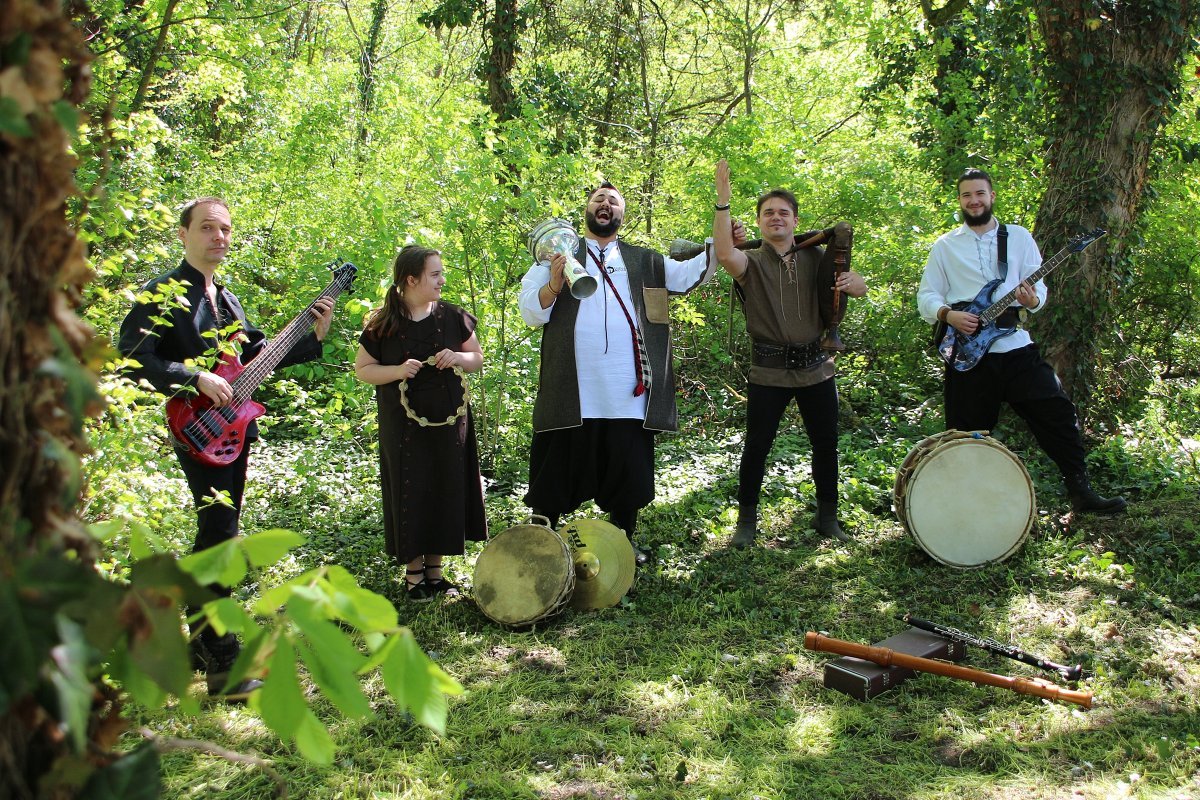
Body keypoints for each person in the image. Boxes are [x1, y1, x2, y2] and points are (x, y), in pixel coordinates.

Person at [118, 197, 335, 698]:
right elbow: (132, 357)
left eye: (227, 230)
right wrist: (194, 375)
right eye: (208, 228)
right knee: (219, 535)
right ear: (184, 235)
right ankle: (221, 660)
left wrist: (311, 333)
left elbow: (258, 357)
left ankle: (203, 642)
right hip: (197, 430)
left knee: (223, 532)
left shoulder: (228, 298)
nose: (220, 237)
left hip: (233, 432)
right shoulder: (164, 293)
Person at [519, 181, 742, 563]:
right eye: (598, 200)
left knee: (627, 469)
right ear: (587, 212)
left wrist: (720, 242)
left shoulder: (645, 260)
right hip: (571, 387)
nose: (605, 204)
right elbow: (530, 311)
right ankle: (542, 541)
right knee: (555, 465)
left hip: (627, 390)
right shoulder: (555, 257)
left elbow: (693, 274)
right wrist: (555, 284)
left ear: (622, 215)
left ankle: (622, 541)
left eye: (613, 201)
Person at [917, 167, 1126, 514]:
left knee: (1057, 412)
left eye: (980, 193)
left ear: (992, 196)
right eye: (967, 195)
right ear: (960, 200)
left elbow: (1039, 291)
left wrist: (1031, 300)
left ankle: (1080, 491)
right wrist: (947, 315)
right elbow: (927, 295)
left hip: (1014, 345)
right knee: (965, 433)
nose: (974, 200)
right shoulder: (945, 247)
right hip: (967, 352)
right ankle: (963, 507)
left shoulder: (1018, 237)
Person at [712, 160, 868, 548]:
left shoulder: (819, 256)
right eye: (769, 213)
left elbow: (857, 287)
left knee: (825, 444)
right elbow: (724, 252)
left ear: (795, 220)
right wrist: (723, 201)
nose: (776, 218)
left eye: (783, 212)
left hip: (817, 368)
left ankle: (827, 517)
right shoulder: (751, 261)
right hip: (769, 371)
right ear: (760, 222)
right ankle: (746, 523)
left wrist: (856, 283)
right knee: (757, 446)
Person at [354, 245, 488, 601]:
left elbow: (476, 359)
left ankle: (436, 572)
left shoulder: (453, 316)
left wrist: (458, 356)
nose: (442, 281)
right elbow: (363, 370)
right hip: (404, 428)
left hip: (449, 422)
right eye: (435, 274)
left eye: (441, 273)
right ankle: (414, 575)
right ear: (411, 279)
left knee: (445, 487)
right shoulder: (383, 324)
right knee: (412, 489)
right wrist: (398, 370)